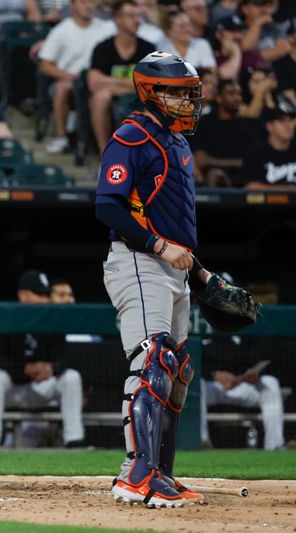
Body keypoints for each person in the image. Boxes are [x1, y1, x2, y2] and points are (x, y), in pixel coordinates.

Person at [95, 51, 211, 507]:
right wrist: (161, 247)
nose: (187, 101)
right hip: (139, 261)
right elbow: (107, 205)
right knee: (154, 362)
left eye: (190, 93)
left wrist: (199, 272)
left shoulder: (176, 141)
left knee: (176, 371)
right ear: (150, 91)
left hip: (173, 268)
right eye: (177, 93)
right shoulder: (133, 135)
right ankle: (138, 476)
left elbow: (175, 219)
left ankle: (159, 473)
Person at [0, 270, 85, 449]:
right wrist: (23, 369)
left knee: (71, 377)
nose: (44, 300)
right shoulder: (5, 317)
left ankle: (74, 440)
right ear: (23, 295)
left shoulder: (52, 319)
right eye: (39, 294)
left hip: (42, 388)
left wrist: (51, 368)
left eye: (46, 295)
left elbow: (66, 358)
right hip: (14, 390)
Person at [37, 0, 111, 154]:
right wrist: (67, 76)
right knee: (62, 87)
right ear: (72, 5)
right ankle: (62, 136)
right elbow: (45, 64)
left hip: (98, 80)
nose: (88, 6)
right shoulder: (61, 30)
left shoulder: (106, 28)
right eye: (83, 2)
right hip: (71, 79)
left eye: (91, 2)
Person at [87, 0, 156, 153]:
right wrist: (131, 83)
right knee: (101, 97)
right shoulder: (103, 48)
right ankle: (106, 154)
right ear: (117, 19)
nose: (137, 20)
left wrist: (109, 82)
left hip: (141, 100)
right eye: (131, 16)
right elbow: (93, 82)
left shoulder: (148, 48)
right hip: (115, 98)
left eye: (138, 16)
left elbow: (150, 84)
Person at [200, 330, 285, 450]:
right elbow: (190, 359)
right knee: (196, 386)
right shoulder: (202, 325)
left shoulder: (245, 323)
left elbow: (261, 356)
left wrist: (253, 373)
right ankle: (202, 442)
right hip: (212, 385)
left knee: (270, 383)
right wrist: (212, 374)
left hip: (241, 384)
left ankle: (275, 445)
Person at [190, 80, 260, 186]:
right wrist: (236, 163)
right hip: (214, 179)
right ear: (218, 98)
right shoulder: (205, 124)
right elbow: (200, 160)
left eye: (239, 94)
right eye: (231, 93)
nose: (237, 98)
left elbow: (254, 161)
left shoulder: (249, 126)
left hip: (245, 181)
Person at [240, 96, 296, 188]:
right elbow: (251, 186)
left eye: (290, 120)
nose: (288, 125)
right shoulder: (256, 152)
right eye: (282, 121)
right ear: (269, 126)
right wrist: (287, 190)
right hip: (265, 202)